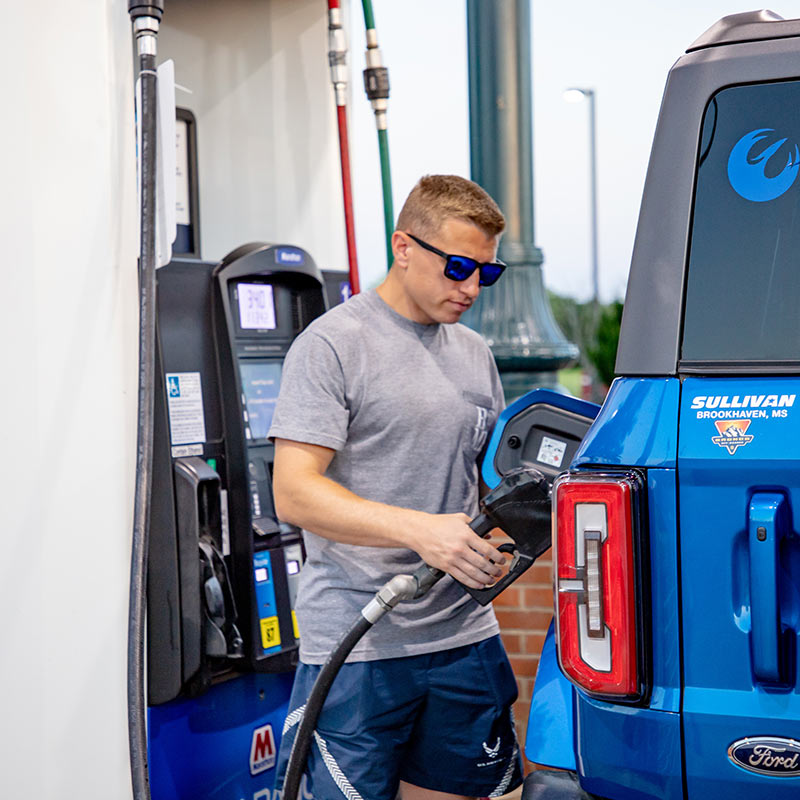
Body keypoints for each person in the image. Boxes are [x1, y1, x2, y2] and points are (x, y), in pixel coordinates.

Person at [269, 175, 522, 800]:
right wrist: (420, 530)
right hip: (361, 645)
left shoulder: (474, 353)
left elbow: (480, 480)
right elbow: (294, 493)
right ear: (403, 247)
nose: (470, 289)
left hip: (463, 634)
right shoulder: (332, 345)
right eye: (458, 267)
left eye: (486, 275)